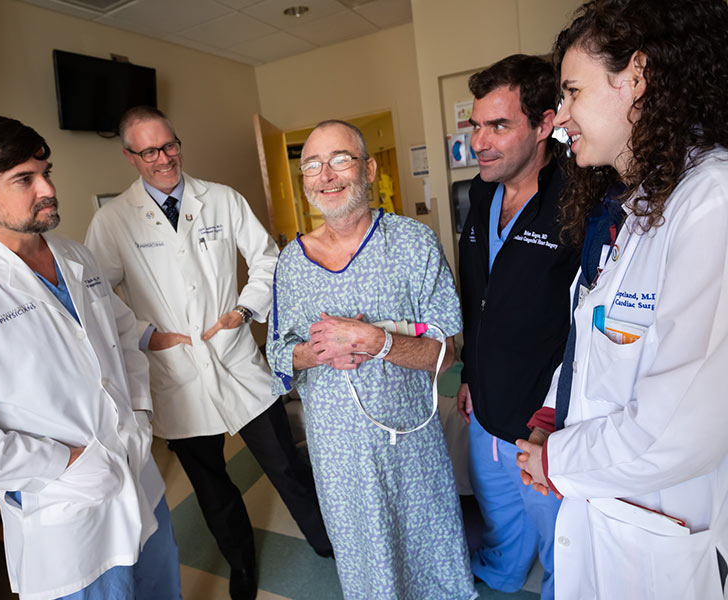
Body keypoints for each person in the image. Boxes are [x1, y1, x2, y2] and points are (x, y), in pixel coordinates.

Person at [515, 1, 728, 598]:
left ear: (635, 76)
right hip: (609, 513)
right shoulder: (642, 209)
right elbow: (598, 339)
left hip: (663, 528)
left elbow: (679, 432)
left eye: (573, 91)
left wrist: (559, 459)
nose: (559, 118)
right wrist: (554, 418)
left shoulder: (711, 200)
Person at [0, 113, 181, 600]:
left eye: (46, 171)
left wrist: (142, 415)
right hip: (65, 506)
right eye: (24, 179)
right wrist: (65, 462)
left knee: (162, 588)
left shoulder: (77, 257)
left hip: (136, 475)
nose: (47, 188)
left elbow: (123, 340)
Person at [85, 106, 330, 600]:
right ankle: (241, 566)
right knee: (213, 487)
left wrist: (243, 310)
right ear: (131, 157)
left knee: (285, 464)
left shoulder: (219, 199)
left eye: (170, 145)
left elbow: (267, 258)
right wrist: (145, 333)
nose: (164, 158)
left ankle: (327, 540)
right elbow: (96, 292)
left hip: (235, 353)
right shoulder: (112, 220)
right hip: (175, 371)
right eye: (150, 151)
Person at [266, 119, 476, 599]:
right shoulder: (291, 264)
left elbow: (447, 353)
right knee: (365, 565)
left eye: (340, 159)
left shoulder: (412, 243)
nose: (327, 175)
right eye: (313, 166)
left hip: (410, 444)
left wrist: (374, 340)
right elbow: (277, 352)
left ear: (368, 168)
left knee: (429, 554)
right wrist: (312, 352)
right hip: (337, 453)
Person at [455, 54, 580, 598]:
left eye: (499, 126)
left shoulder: (580, 201)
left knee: (560, 539)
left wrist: (553, 416)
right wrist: (466, 374)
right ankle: (504, 571)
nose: (480, 142)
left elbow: (585, 324)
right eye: (476, 125)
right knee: (501, 518)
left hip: (542, 419)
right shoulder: (479, 192)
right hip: (484, 404)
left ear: (545, 124)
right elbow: (475, 294)